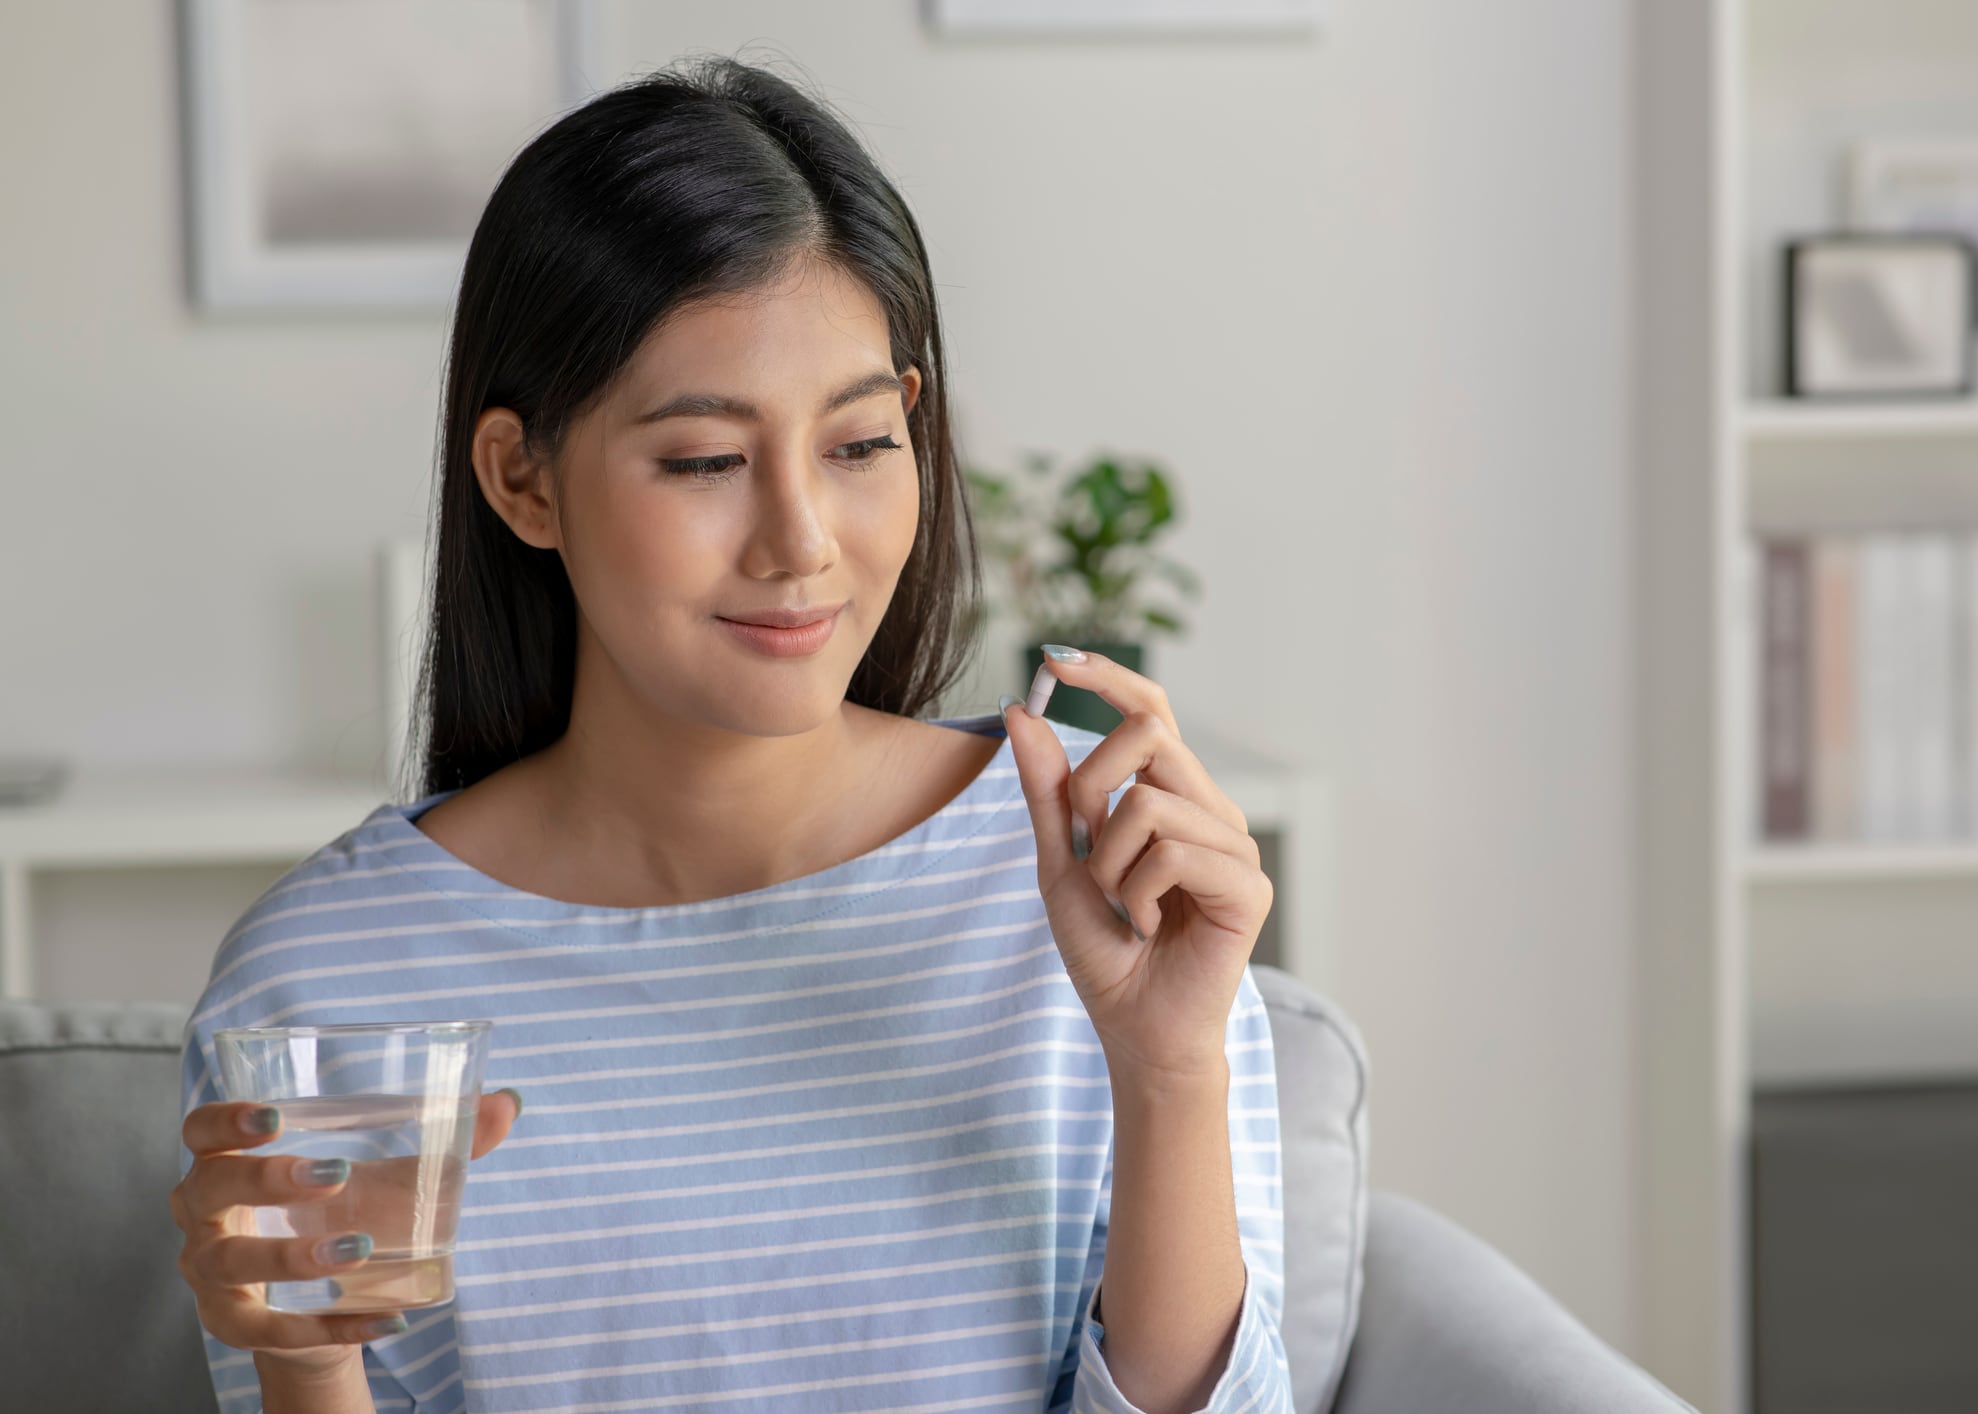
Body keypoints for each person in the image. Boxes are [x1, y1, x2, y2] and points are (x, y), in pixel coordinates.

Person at [168, 53, 1292, 1414]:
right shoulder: (326, 978)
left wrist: (1166, 1065)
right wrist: (305, 1359)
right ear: (522, 479)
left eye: (859, 443)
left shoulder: (1093, 882)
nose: (802, 543)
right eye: (704, 460)